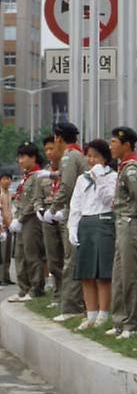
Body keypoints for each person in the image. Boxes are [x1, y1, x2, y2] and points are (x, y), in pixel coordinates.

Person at [68, 139, 117, 330]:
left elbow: (109, 199)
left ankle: (104, 314)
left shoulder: (112, 176)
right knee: (86, 273)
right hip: (86, 224)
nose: (92, 159)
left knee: (102, 273)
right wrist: (73, 227)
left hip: (104, 222)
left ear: (104, 157)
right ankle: (91, 314)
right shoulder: (82, 178)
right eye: (89, 155)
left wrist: (99, 178)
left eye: (96, 156)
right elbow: (76, 204)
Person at [107, 126, 137, 339]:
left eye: (114, 142)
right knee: (119, 275)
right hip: (121, 224)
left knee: (130, 275)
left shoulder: (131, 169)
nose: (111, 146)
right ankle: (121, 320)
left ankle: (135, 322)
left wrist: (133, 219)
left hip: (130, 224)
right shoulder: (123, 167)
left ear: (127, 145)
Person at [48, 122, 87, 322]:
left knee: (70, 260)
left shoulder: (69, 157)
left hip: (76, 213)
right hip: (79, 211)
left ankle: (72, 307)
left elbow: (67, 186)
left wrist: (53, 209)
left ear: (59, 138)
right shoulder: (77, 155)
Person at [9, 142, 50, 301]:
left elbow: (35, 201)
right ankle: (23, 289)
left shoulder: (40, 176)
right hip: (21, 220)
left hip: (31, 221)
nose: (20, 161)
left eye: (23, 157)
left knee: (32, 254)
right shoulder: (25, 177)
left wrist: (21, 218)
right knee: (19, 255)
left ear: (33, 157)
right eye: (19, 157)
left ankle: (36, 289)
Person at [40, 135, 65, 305]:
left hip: (63, 214)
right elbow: (37, 194)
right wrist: (38, 209)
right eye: (47, 149)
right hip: (48, 216)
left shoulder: (65, 168)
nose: (50, 152)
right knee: (53, 258)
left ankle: (70, 296)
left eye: (52, 148)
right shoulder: (44, 172)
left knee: (68, 257)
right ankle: (58, 295)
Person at [0, 170, 13, 286]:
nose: (7, 181)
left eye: (9, 178)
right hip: (1, 228)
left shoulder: (9, 193)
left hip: (9, 226)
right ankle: (1, 278)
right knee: (1, 254)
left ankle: (6, 277)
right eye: (5, 178)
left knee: (8, 254)